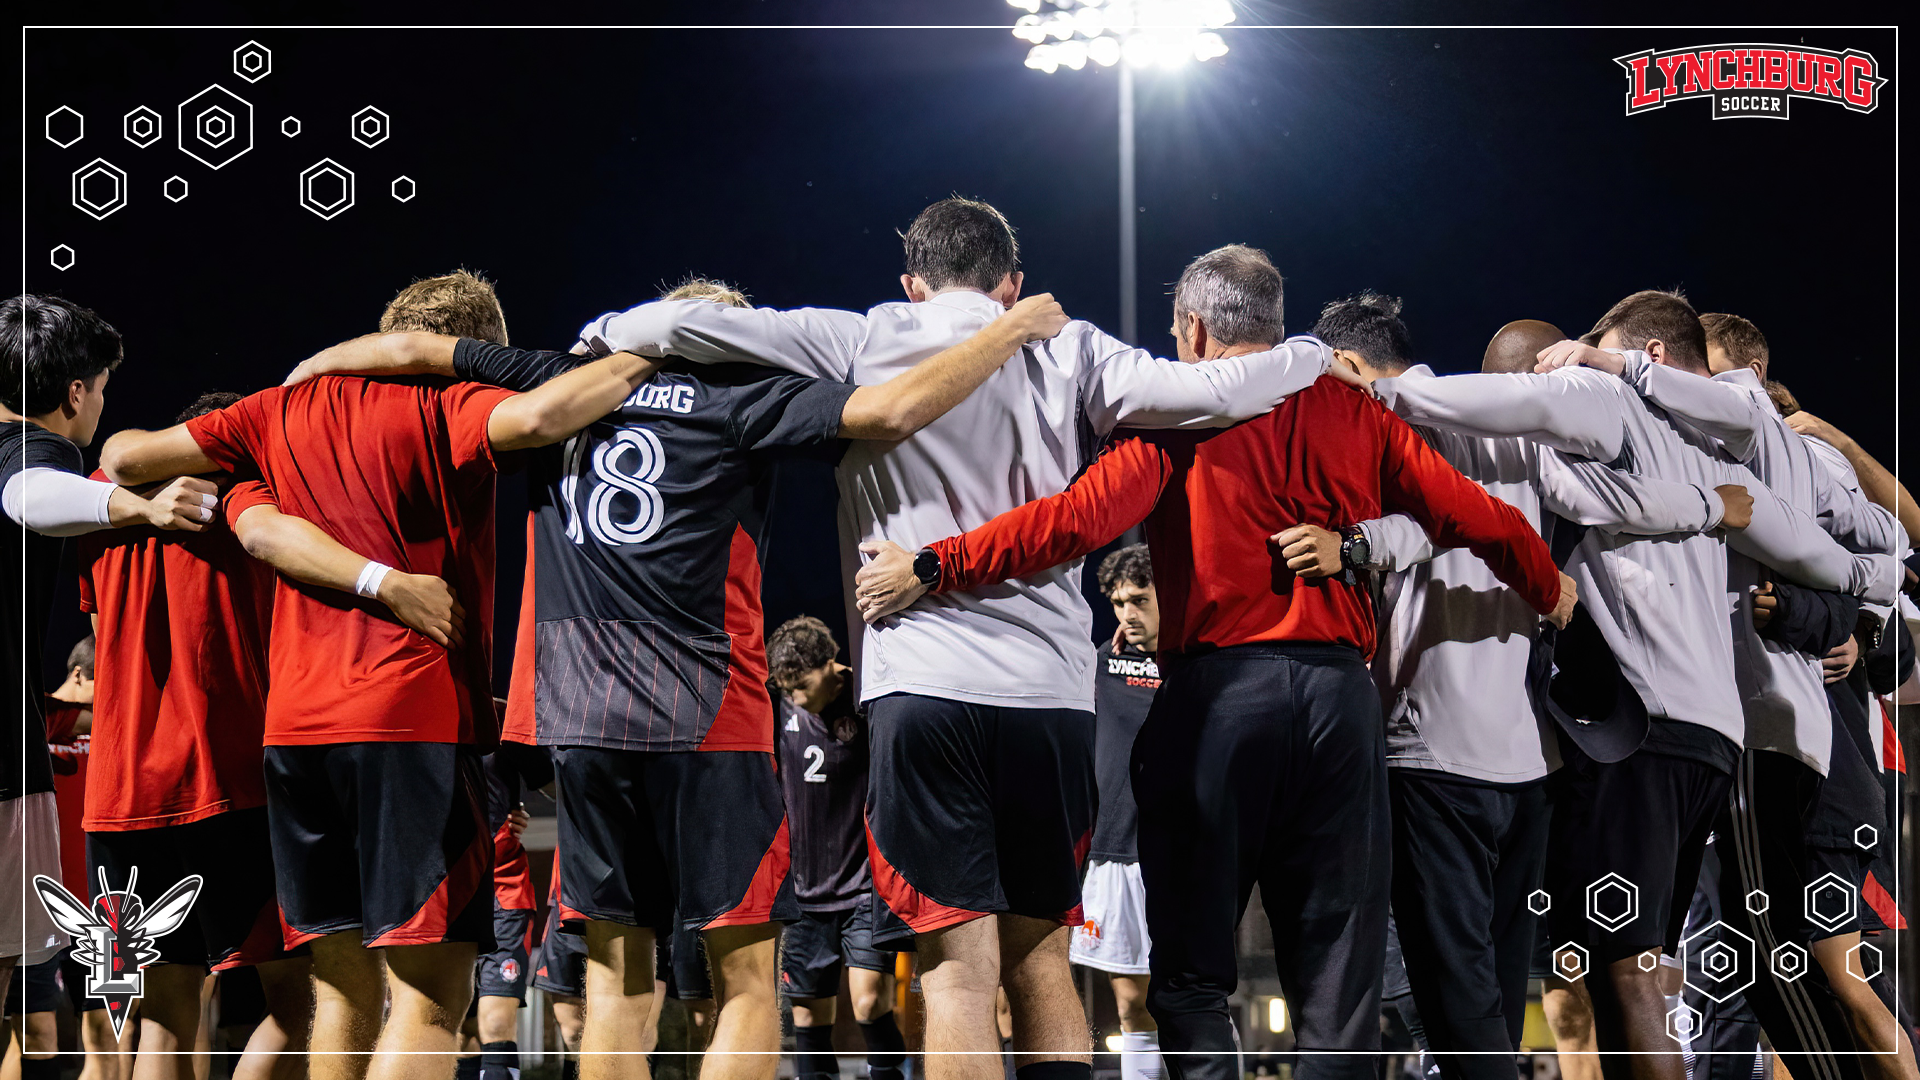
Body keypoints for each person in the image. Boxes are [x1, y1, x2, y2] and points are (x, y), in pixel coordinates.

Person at [575, 209, 1338, 1080]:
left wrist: (603, 332)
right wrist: (1311, 353)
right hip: (1051, 697)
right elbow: (1220, 391)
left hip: (922, 687)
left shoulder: (864, 336)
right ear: (1013, 283)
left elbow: (682, 325)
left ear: (913, 284)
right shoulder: (1075, 347)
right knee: (1042, 964)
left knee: (957, 978)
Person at [282, 272, 1073, 1080]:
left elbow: (414, 348)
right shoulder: (745, 395)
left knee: (617, 987)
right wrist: (1005, 331)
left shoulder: (559, 378)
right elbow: (893, 409)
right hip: (706, 716)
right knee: (746, 984)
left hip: (579, 716)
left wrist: (311, 371)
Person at [852, 246, 1568, 1080]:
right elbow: (1483, 519)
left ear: (1194, 329)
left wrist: (936, 562)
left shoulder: (1178, 417)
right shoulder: (1355, 408)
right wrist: (1554, 596)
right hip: (1339, 704)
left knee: (1192, 975)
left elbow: (1076, 521)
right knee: (1338, 986)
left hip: (1219, 700)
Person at [96, 270, 669, 1080]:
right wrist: (666, 346)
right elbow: (546, 412)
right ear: (465, 349)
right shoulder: (448, 403)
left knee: (340, 992)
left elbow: (125, 456)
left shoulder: (272, 412)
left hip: (295, 736)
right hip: (411, 718)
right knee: (430, 997)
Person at [1362, 289, 1897, 1080]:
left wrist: (1380, 387)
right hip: (1714, 740)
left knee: (1628, 974)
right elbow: (1858, 541)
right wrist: (1866, 590)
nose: (1575, 362)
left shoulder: (1591, 401)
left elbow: (1554, 468)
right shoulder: (1720, 447)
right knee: (1647, 969)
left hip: (1648, 734)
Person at [1316, 304, 1739, 1080]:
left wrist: (1354, 543)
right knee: (1509, 1003)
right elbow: (1620, 505)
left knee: (1460, 1011)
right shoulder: (1545, 456)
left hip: (1432, 753)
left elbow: (1435, 523)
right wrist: (1713, 505)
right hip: (1533, 768)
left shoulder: (1405, 423)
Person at [1536, 305, 1909, 1080]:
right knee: (1757, 972)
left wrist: (1838, 619)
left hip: (1774, 747)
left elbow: (1881, 554)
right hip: (1735, 748)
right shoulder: (1695, 455)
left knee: (1795, 968)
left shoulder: (1776, 452)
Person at [78, 391, 318, 1079]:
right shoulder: (251, 495)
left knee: (162, 1018)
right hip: (229, 777)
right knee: (302, 1004)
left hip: (119, 792)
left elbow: (100, 637)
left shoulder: (101, 499)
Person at [2, 295, 219, 1009]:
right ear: (75, 393)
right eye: (100, 389)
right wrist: (139, 506)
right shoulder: (37, 452)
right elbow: (29, 495)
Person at [767, 616, 907, 1080]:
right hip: (803, 894)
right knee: (809, 1018)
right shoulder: (777, 704)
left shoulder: (867, 695)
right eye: (788, 690)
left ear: (830, 665)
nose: (795, 697)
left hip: (864, 889)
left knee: (870, 1002)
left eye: (803, 686)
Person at [1068, 547, 1163, 1080]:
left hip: (1187, 853)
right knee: (1132, 1004)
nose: (1128, 613)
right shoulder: (1098, 664)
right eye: (1119, 601)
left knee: (1194, 995)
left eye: (1140, 600)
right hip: (1116, 853)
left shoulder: (1200, 661)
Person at [457, 749, 547, 1080]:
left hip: (503, 890)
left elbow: (552, 779)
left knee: (495, 1022)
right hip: (445, 891)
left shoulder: (504, 721)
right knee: (460, 1028)